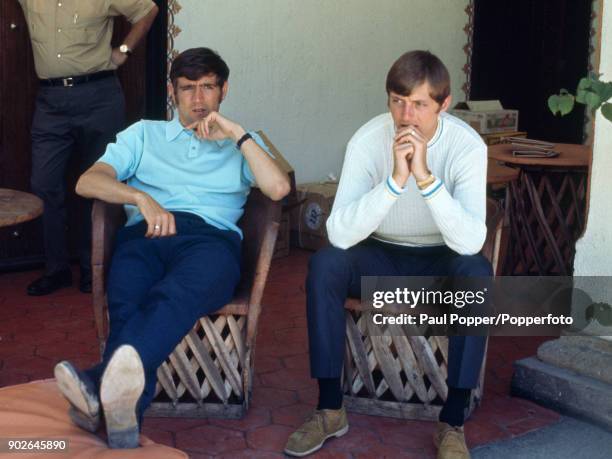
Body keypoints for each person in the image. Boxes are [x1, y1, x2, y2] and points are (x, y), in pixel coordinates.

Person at [52, 47, 290, 449]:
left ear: (223, 90)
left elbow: (279, 187)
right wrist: (141, 199)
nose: (198, 100)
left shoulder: (242, 145)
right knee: (127, 298)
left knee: (172, 295)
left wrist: (237, 134)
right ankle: (125, 422)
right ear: (171, 92)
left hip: (210, 242)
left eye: (208, 88)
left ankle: (96, 384)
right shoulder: (145, 134)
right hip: (146, 235)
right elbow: (87, 182)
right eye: (187, 89)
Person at [284, 50, 491, 459]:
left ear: (443, 105)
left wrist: (426, 179)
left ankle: (452, 420)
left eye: (419, 104)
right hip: (379, 255)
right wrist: (395, 182)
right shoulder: (367, 139)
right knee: (326, 264)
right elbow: (339, 232)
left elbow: (469, 241)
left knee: (476, 273)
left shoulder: (467, 145)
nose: (406, 115)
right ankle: (329, 409)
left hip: (440, 260)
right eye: (398, 101)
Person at [19, 0, 159, 295]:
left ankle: (92, 266)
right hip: (50, 100)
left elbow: (148, 10)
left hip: (99, 96)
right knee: (44, 185)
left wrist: (123, 52)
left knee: (99, 182)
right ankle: (56, 269)